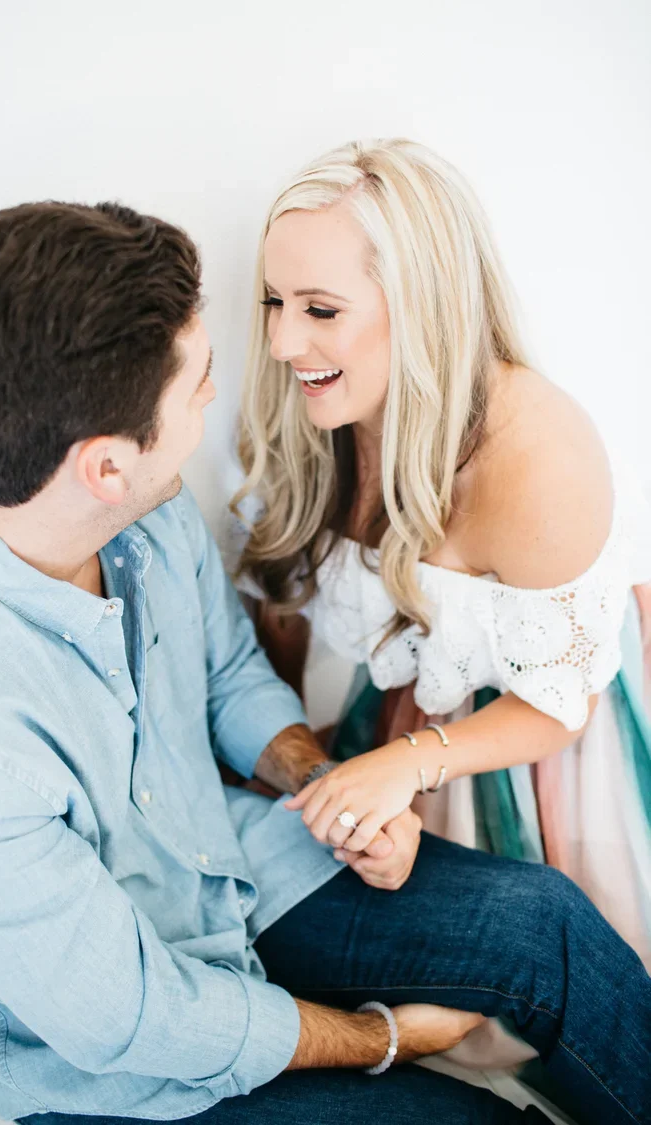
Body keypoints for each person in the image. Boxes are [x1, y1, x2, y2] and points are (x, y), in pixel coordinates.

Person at [0, 201, 648, 1125]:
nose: (221, 391)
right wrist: (384, 1036)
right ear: (104, 465)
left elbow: (224, 679)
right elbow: (143, 1019)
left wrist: (331, 788)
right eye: (198, 382)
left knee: (548, 930)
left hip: (228, 864)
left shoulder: (129, 503)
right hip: (131, 1069)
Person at [232, 138, 651, 980]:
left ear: (421, 305)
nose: (280, 342)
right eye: (275, 302)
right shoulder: (314, 413)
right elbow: (275, 604)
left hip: (534, 753)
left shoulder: (538, 458)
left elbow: (560, 704)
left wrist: (408, 762)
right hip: (396, 729)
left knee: (552, 978)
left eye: (319, 310)